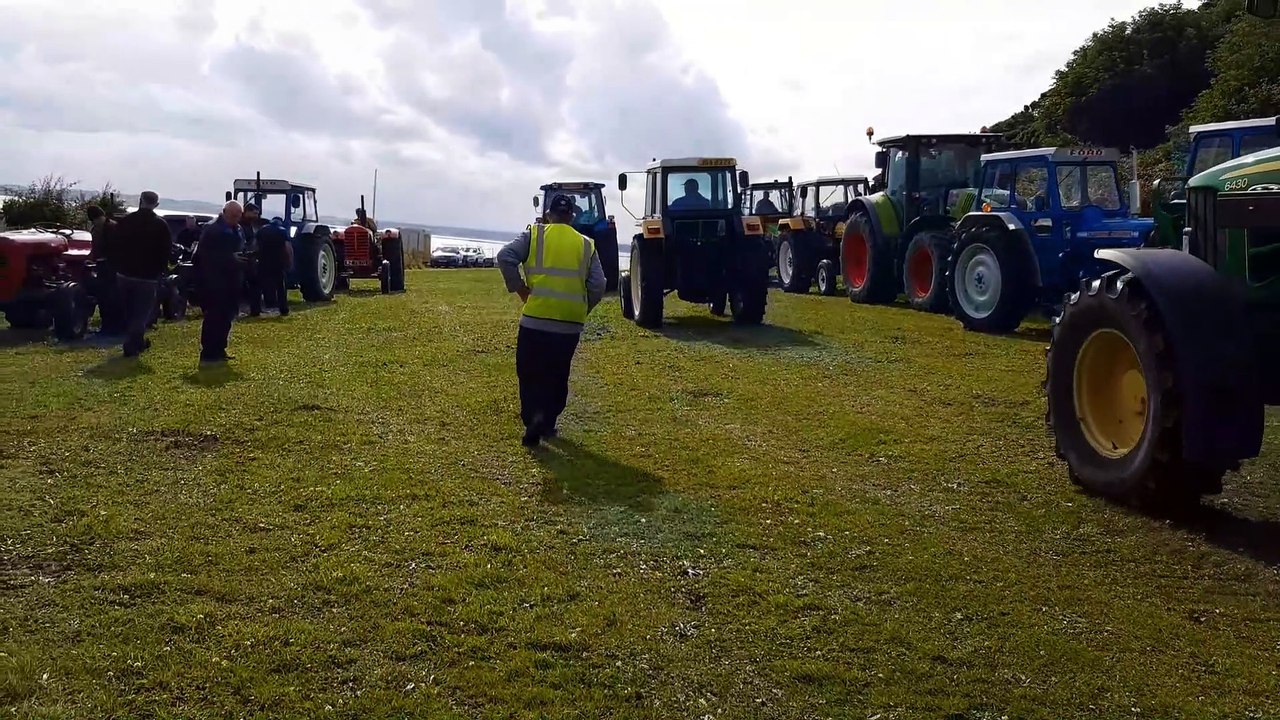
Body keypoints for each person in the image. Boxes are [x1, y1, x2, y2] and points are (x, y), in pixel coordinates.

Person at [496, 194, 606, 447]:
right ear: (572, 217)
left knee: (529, 371)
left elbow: (505, 256)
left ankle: (532, 418)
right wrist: (582, 307)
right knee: (558, 372)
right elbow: (599, 284)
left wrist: (521, 289)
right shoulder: (587, 244)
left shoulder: (534, 235)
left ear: (547, 215)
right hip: (569, 324)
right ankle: (548, 421)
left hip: (535, 320)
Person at [104, 191, 171, 357]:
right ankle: (132, 345)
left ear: (140, 201)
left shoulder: (126, 221)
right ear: (156, 204)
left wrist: (116, 266)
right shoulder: (161, 225)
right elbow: (165, 252)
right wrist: (161, 271)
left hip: (124, 274)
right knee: (141, 313)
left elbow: (113, 245)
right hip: (147, 277)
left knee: (129, 311)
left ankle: (137, 342)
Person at [194, 200, 248, 363]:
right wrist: (230, 258)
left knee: (227, 316)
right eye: (233, 215)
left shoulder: (237, 229)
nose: (236, 219)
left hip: (232, 280)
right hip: (214, 281)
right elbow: (204, 256)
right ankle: (209, 351)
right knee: (213, 317)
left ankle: (220, 348)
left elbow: (238, 248)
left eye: (238, 216)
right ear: (224, 212)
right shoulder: (212, 229)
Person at [86, 205, 124, 336]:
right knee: (104, 297)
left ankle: (114, 326)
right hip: (102, 266)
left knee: (112, 297)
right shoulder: (97, 229)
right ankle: (107, 325)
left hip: (112, 266)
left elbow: (117, 249)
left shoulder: (112, 228)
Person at [256, 217, 291, 316]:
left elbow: (256, 245)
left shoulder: (262, 230)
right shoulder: (282, 231)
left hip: (263, 261)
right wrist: (289, 262)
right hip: (278, 262)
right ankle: (284, 309)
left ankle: (256, 308)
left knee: (259, 285)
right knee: (280, 287)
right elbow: (287, 247)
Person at [239, 202, 264, 317]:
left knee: (255, 284)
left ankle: (255, 309)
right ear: (247, 212)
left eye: (257, 214)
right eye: (254, 213)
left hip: (250, 258)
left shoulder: (249, 224)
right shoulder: (239, 225)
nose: (256, 216)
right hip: (242, 258)